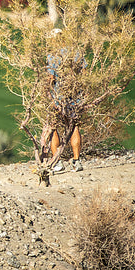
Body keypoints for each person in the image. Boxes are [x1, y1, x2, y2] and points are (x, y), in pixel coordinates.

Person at [44, 29, 83, 172]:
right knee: (74, 128)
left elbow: (51, 78)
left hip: (58, 98)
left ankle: (57, 162)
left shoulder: (53, 57)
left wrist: (47, 94)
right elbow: (83, 74)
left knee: (54, 128)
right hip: (75, 97)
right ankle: (77, 160)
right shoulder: (76, 54)